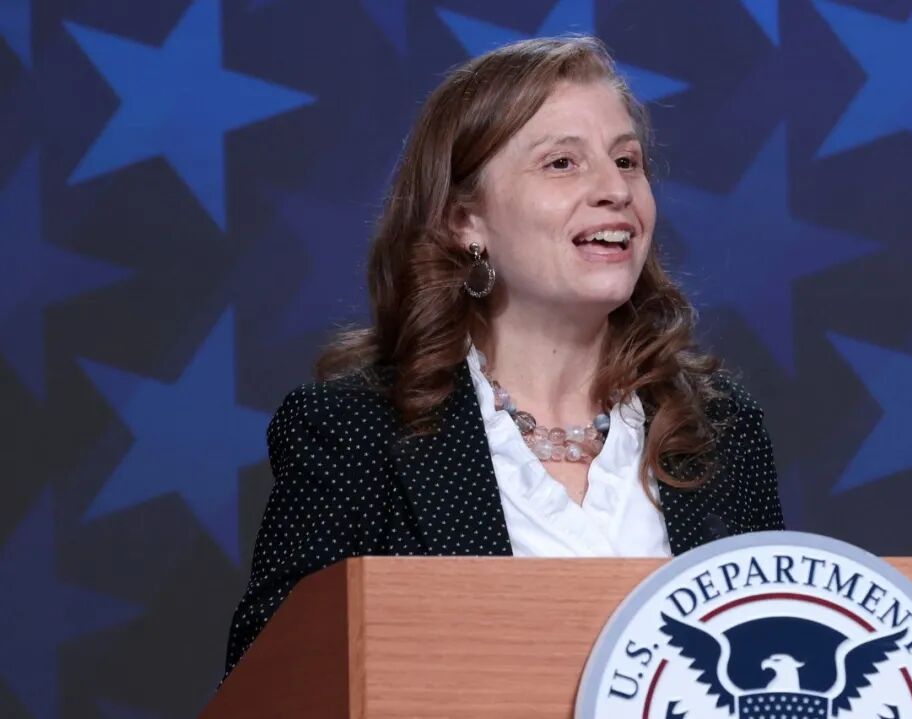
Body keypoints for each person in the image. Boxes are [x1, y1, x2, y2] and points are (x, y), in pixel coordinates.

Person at [223, 35, 784, 678]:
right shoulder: (356, 432)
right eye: (562, 163)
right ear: (465, 221)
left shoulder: (721, 432)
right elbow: (272, 686)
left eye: (627, 161)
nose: (615, 190)